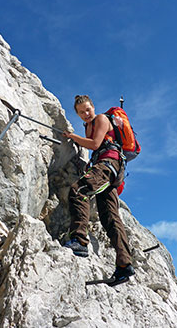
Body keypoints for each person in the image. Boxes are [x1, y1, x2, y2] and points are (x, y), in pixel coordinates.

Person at [62, 95, 134, 283]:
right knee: (109, 217)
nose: (86, 114)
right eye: (81, 112)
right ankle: (124, 266)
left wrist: (72, 137)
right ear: (78, 114)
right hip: (109, 168)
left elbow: (94, 144)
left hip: (108, 164)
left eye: (88, 109)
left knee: (79, 190)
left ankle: (79, 241)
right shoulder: (88, 127)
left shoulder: (101, 119)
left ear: (93, 107)